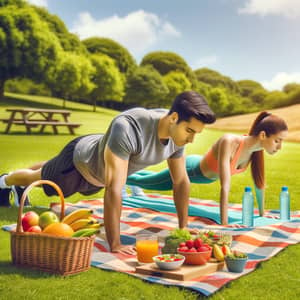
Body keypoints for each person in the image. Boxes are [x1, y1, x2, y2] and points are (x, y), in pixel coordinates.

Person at [0, 91, 216, 253]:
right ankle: (6, 181)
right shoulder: (129, 127)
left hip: (99, 168)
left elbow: (181, 182)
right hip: (77, 164)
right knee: (38, 178)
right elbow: (115, 187)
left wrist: (183, 228)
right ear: (173, 118)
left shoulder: (177, 135)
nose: (191, 139)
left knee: (48, 167)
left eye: (196, 133)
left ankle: (27, 181)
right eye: (189, 131)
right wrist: (115, 243)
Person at [125, 111, 288, 225]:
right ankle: (120, 178)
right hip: (191, 170)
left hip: (201, 174)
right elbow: (225, 186)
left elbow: (259, 184)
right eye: (277, 141)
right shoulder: (229, 141)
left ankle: (132, 180)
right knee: (150, 183)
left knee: (151, 178)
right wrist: (224, 223)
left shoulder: (256, 151)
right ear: (263, 135)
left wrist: (262, 215)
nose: (279, 147)